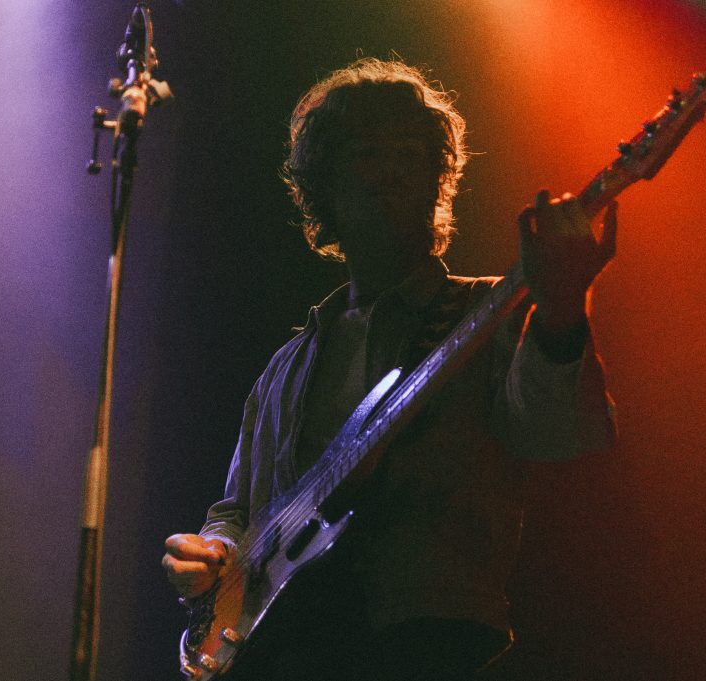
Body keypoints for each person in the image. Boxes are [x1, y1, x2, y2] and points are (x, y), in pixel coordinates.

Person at [163, 57, 617, 680]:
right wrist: (211, 553)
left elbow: (561, 434)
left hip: (422, 640)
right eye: (365, 154)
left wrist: (563, 310)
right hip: (285, 651)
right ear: (324, 187)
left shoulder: (488, 310)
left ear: (437, 178)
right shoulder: (284, 369)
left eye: (409, 152)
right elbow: (237, 510)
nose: (391, 172)